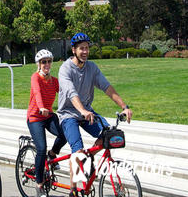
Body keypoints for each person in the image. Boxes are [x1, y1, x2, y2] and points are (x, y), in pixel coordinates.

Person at [57, 33, 133, 197]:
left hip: (87, 113)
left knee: (108, 133)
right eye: (81, 48)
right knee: (77, 151)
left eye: (87, 48)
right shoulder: (65, 68)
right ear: (74, 50)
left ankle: (88, 157)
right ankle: (73, 190)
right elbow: (71, 93)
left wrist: (124, 106)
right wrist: (82, 110)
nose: (85, 51)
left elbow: (107, 87)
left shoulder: (92, 67)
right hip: (68, 114)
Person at [27, 49, 67, 197]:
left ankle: (53, 154)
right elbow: (37, 92)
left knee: (65, 133)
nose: (47, 64)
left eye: (49, 61)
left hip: (48, 115)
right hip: (35, 117)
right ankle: (39, 183)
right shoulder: (35, 77)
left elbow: (65, 93)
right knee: (41, 149)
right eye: (44, 62)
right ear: (39, 64)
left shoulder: (54, 81)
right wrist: (41, 106)